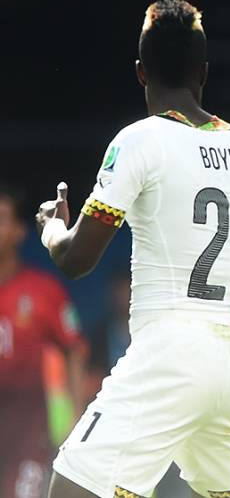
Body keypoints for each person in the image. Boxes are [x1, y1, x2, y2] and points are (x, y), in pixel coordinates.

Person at [35, 0, 230, 498]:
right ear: (203, 72)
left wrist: (51, 227)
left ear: (140, 73)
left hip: (169, 351)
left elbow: (76, 259)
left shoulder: (139, 141)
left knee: (70, 487)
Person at [0, 184, 85, 498]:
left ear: (19, 231)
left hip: (28, 436)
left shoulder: (43, 291)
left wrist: (74, 421)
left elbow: (74, 350)